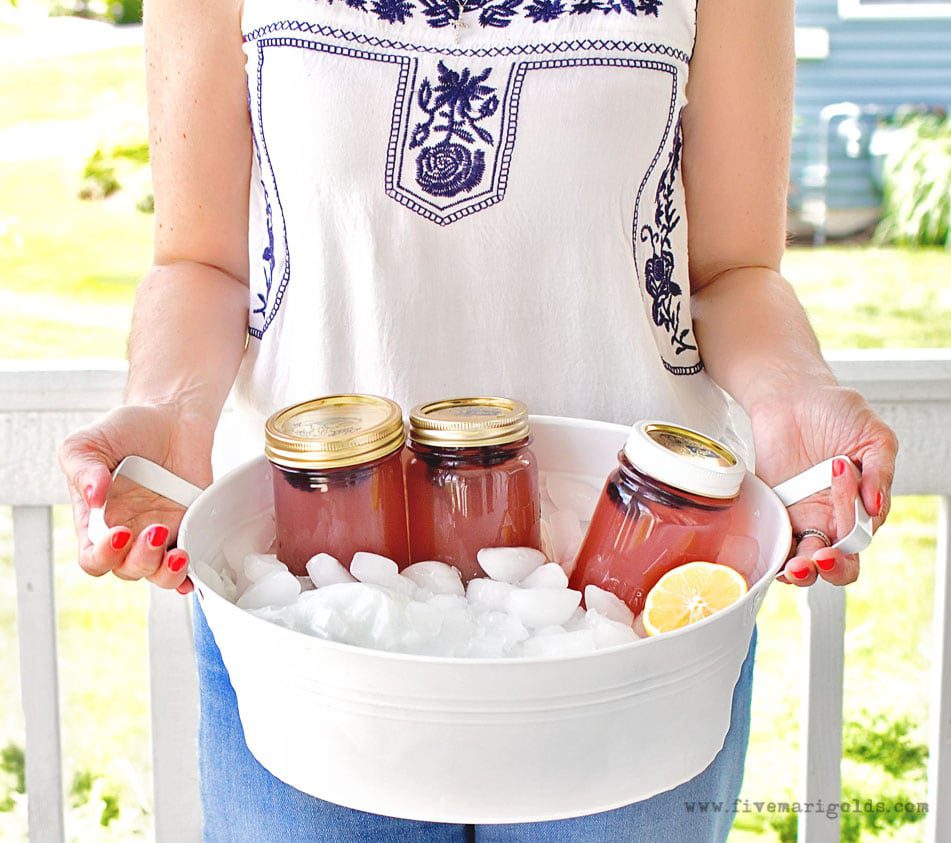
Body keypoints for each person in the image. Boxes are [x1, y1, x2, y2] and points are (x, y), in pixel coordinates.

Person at [59, 0, 897, 839]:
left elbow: (733, 269)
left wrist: (794, 394)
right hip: (306, 619)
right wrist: (168, 411)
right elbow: (200, 260)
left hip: (632, 619)